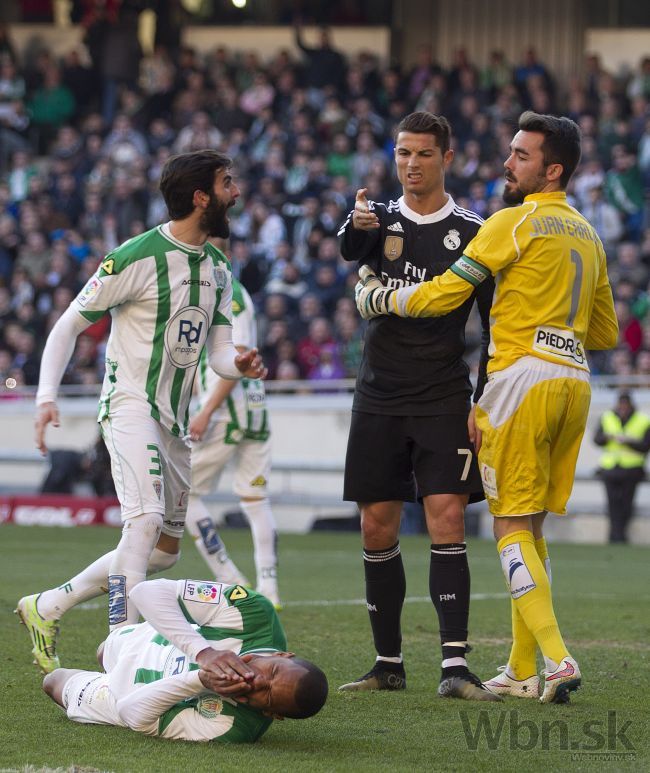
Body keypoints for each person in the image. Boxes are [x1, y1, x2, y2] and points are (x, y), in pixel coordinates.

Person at [355, 111, 619, 703]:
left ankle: (556, 659)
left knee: (506, 526)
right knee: (531, 526)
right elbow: (605, 331)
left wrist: (383, 296)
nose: (508, 164)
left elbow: (447, 292)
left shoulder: (511, 221)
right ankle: (522, 668)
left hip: (520, 381)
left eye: (521, 157)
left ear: (552, 170)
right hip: (574, 380)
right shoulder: (589, 234)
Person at [17, 149, 266, 673]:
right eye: (226, 183)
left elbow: (218, 355)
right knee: (145, 519)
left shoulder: (219, 270)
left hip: (175, 420)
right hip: (129, 406)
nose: (235, 191)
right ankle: (119, 646)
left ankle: (49, 604)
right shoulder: (137, 256)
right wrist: (45, 399)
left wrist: (239, 363)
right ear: (201, 197)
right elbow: (67, 325)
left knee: (163, 553)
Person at [337, 111, 497, 701]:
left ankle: (455, 666)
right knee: (375, 524)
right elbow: (351, 248)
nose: (410, 164)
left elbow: (494, 324)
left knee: (446, 519)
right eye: (403, 153)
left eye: (423, 154)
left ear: (445, 158)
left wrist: (481, 401)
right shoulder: (376, 217)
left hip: (441, 394)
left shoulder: (473, 230)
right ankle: (388, 664)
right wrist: (357, 226)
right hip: (378, 393)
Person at [42, 577, 328, 742]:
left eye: (266, 696)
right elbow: (146, 592)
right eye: (273, 671)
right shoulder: (254, 613)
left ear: (271, 714)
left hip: (121, 694)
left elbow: (132, 714)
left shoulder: (233, 728)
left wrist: (199, 680)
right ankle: (52, 602)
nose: (257, 681)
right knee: (105, 648)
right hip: (141, 638)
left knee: (53, 681)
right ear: (282, 654)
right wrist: (204, 653)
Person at [185, 276, 281, 609]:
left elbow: (238, 358)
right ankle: (269, 586)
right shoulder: (230, 291)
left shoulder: (226, 292)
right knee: (255, 500)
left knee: (182, 493)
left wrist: (205, 411)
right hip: (255, 408)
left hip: (227, 410)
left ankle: (230, 577)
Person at [594, 391, 650, 543]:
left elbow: (646, 446)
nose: (623, 408)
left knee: (626, 503)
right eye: (621, 405)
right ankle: (615, 535)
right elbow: (597, 439)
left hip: (632, 469)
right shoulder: (607, 417)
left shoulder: (643, 420)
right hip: (610, 468)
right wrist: (607, 437)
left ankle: (620, 534)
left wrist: (628, 441)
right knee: (612, 503)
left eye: (626, 405)